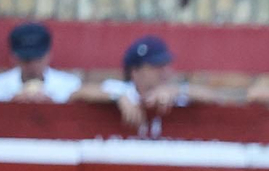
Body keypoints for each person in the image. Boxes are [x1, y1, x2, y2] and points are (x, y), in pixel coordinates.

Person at [76, 35, 212, 133]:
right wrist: (117, 98)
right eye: (156, 66)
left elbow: (214, 98)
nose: (164, 71)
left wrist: (176, 91)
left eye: (166, 65)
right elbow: (78, 93)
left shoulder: (175, 92)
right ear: (134, 71)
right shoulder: (121, 90)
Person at [0, 23, 83, 103]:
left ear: (48, 55)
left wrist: (54, 106)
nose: (32, 65)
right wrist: (9, 106)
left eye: (38, 58)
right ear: (14, 57)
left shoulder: (69, 85)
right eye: (26, 59)